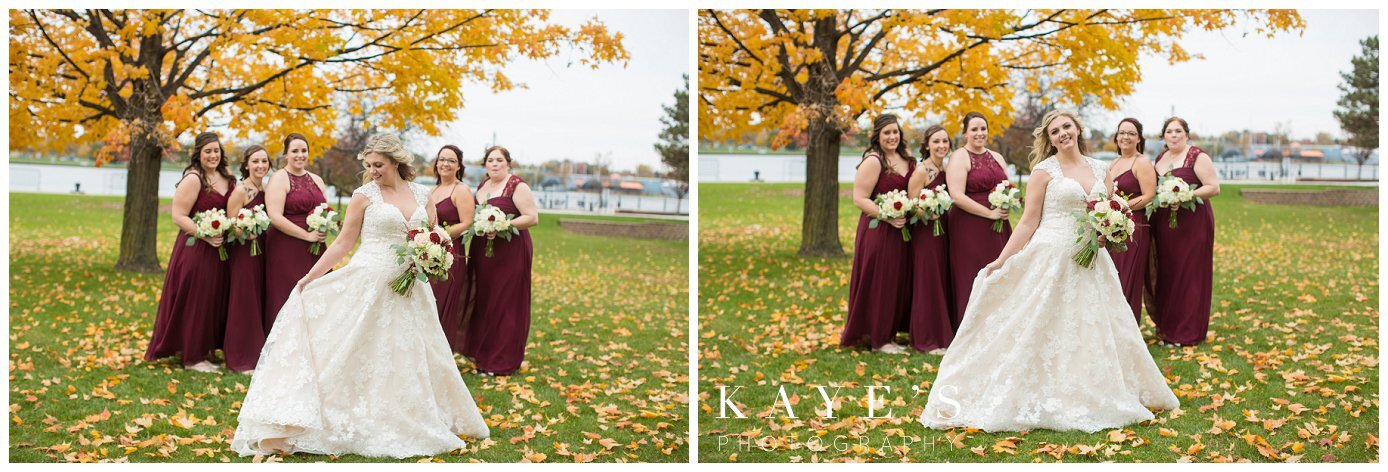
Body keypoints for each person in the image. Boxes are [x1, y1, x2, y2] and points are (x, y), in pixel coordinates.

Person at [231, 133, 489, 458]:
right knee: (354, 350)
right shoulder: (364, 195)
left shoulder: (423, 194)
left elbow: (432, 234)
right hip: (369, 282)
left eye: (378, 165)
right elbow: (343, 242)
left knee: (410, 352)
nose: (373, 170)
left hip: (412, 288)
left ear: (396, 161)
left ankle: (412, 411)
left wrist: (431, 255)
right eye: (369, 165)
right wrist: (311, 276)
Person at [920, 111, 1178, 432]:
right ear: (1049, 138)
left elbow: (1109, 209)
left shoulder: (1101, 169)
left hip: (1092, 261)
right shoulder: (1044, 171)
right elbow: (1029, 221)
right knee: (1040, 324)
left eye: (1066, 126)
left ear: (1077, 128)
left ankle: (1094, 387)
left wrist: (1109, 233)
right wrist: (1002, 260)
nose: (1062, 134)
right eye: (1055, 131)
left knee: (1090, 327)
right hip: (1051, 257)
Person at [145, 131, 233, 372]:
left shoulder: (227, 177)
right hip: (196, 249)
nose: (213, 155)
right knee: (197, 299)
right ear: (198, 154)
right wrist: (204, 233)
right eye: (208, 151)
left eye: (216, 150)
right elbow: (178, 215)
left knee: (213, 299)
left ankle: (207, 349)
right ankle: (193, 357)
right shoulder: (194, 179)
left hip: (220, 250)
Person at [841, 114, 915, 354]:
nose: (892, 137)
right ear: (877, 136)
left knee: (896, 281)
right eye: (887, 133)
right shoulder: (874, 161)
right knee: (880, 281)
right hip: (878, 229)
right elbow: (859, 198)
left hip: (902, 230)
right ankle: (878, 339)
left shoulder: (906, 158)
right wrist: (887, 215)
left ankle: (890, 332)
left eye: (895, 132)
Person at [460, 146, 537, 376]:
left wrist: (503, 225)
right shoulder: (483, 186)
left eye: (499, 160)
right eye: (490, 160)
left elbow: (532, 218)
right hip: (484, 250)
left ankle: (502, 361)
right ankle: (484, 357)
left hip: (511, 251)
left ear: (508, 163)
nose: (494, 164)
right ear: (485, 165)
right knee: (486, 301)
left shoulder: (517, 185)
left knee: (505, 303)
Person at [1148, 117, 1219, 345]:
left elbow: (1213, 187)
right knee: (1169, 273)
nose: (1174, 135)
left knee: (1189, 275)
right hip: (1165, 225)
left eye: (1178, 131)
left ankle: (1188, 333)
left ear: (1186, 134)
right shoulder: (1160, 158)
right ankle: (1168, 330)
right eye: (1169, 131)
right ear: (1164, 136)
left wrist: (1186, 195)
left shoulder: (1197, 156)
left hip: (1193, 224)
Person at [944, 112, 1012, 325]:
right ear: (965, 132)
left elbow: (1008, 187)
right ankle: (970, 327)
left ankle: (998, 325)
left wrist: (1007, 203)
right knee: (972, 274)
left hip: (999, 226)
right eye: (974, 129)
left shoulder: (997, 157)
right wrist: (989, 213)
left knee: (1000, 273)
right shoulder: (959, 157)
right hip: (969, 227)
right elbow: (956, 195)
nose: (979, 133)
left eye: (983, 128)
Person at [905, 124, 955, 353]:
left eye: (945, 141)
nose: (941, 145)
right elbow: (911, 204)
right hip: (926, 234)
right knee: (928, 282)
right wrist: (926, 210)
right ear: (927, 145)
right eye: (936, 141)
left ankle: (943, 333)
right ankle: (926, 338)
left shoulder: (946, 168)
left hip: (945, 231)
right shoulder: (922, 171)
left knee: (941, 280)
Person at [223, 145, 272, 373]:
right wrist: (245, 230)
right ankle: (240, 356)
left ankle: (258, 351)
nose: (260, 165)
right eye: (255, 161)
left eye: (264, 161)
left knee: (259, 299)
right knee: (244, 300)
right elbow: (230, 223)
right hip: (245, 252)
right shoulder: (241, 190)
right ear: (246, 165)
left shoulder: (268, 188)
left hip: (265, 251)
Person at [1105, 118, 1157, 322]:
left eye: (1131, 133)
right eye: (1122, 132)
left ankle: (1128, 330)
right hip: (1113, 227)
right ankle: (1111, 328)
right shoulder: (1114, 163)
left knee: (1127, 277)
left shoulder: (1141, 162)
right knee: (1112, 278)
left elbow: (1148, 195)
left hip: (1134, 228)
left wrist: (1123, 207)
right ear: (1116, 137)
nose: (1125, 137)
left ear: (1139, 139)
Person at [429, 145, 476, 353]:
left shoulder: (462, 190)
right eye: (442, 159)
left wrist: (441, 235)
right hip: (428, 253)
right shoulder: (432, 190)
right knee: (428, 303)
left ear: (459, 166)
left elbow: (466, 223)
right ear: (436, 163)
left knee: (443, 304)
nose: (445, 164)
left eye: (451, 160)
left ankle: (442, 355)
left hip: (451, 253)